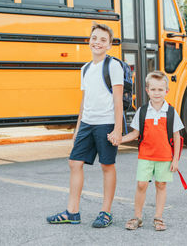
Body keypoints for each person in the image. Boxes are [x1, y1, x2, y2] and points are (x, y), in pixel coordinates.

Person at [46, 23, 124, 228]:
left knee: (107, 166)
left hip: (106, 123)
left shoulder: (113, 66)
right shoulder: (85, 69)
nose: (97, 42)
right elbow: (84, 100)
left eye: (103, 40)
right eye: (94, 38)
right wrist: (77, 127)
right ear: (89, 40)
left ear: (109, 45)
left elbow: (118, 100)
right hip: (87, 123)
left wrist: (117, 129)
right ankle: (72, 212)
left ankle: (105, 212)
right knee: (74, 163)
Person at [117, 71, 184, 231]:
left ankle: (158, 217)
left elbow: (177, 138)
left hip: (165, 157)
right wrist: (119, 139)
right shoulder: (142, 111)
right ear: (147, 90)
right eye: (153, 89)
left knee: (161, 185)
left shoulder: (171, 112)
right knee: (141, 185)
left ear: (166, 91)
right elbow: (135, 133)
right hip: (145, 156)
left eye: (160, 90)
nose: (157, 93)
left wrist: (175, 160)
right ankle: (137, 217)